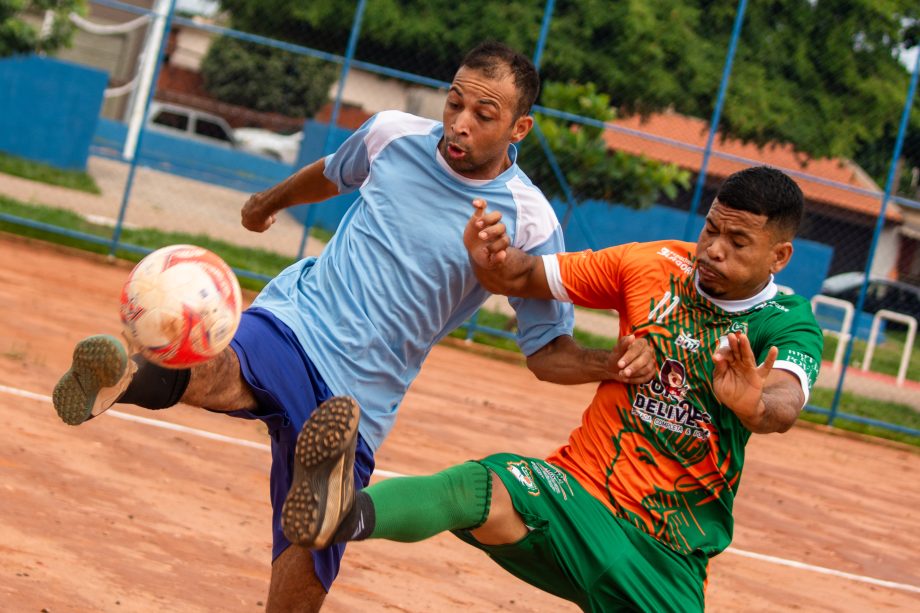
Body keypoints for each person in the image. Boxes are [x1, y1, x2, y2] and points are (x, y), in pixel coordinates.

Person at [51, 41, 656, 612]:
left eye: (483, 113)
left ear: (519, 128)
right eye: (454, 101)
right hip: (301, 318)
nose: (460, 122)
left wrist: (611, 363)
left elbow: (546, 350)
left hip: (364, 394)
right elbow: (332, 171)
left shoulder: (526, 220)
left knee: (310, 544)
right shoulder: (393, 134)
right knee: (230, 370)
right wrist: (269, 202)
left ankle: (133, 383)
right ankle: (120, 378)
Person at [281, 166, 824, 612]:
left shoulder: (787, 322)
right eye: (711, 229)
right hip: (575, 497)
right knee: (479, 486)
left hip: (666, 553)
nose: (712, 249)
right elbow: (521, 277)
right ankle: (342, 514)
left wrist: (754, 404)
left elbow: (784, 401)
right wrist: (492, 254)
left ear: (779, 256)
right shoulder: (652, 265)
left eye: (737, 240)